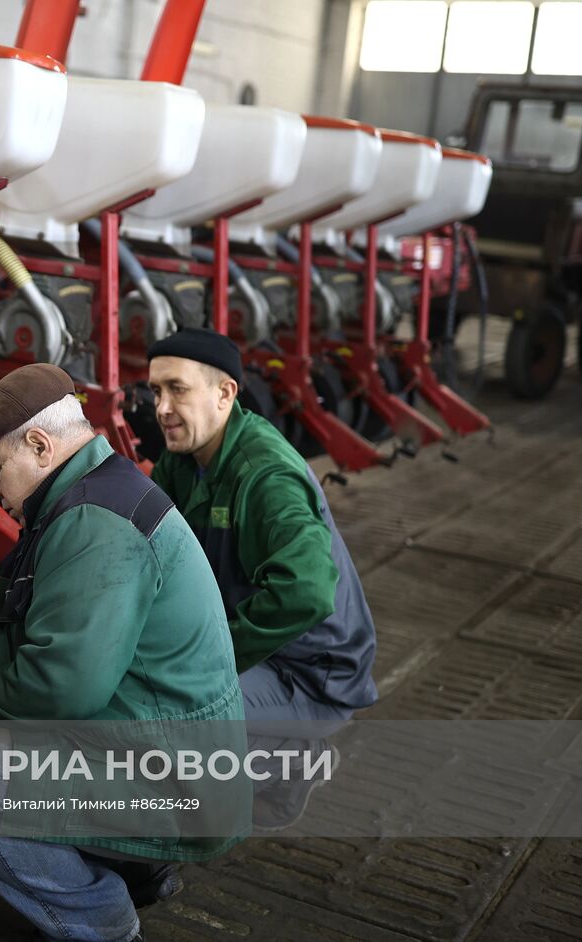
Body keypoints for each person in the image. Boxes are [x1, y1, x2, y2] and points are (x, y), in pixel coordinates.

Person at [0, 363, 245, 942]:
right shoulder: (85, 496)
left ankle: (103, 925)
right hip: (167, 749)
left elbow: (61, 687)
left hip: (181, 783)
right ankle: (138, 873)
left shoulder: (94, 524)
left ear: (40, 446)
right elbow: (1, 623)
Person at [144, 327, 378, 828]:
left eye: (177, 389)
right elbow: (144, 544)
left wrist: (205, 658)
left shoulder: (266, 477)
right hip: (261, 653)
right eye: (155, 391)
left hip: (311, 672)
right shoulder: (183, 460)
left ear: (225, 393)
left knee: (172, 722)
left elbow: (307, 592)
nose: (161, 407)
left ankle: (288, 762)